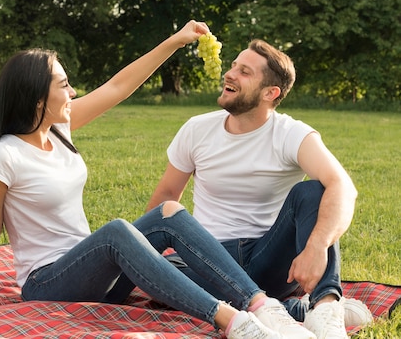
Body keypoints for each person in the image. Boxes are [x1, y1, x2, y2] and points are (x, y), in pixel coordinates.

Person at [0, 23, 317, 338]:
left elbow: (118, 87)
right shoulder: (4, 155)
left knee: (169, 211)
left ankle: (261, 305)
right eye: (63, 85)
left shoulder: (59, 129)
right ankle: (233, 322)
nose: (72, 92)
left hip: (94, 276)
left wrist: (173, 41)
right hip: (47, 283)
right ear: (37, 98)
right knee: (119, 231)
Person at [136, 39, 370, 338]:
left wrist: (316, 247)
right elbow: (165, 199)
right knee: (158, 278)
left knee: (314, 191)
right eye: (233, 66)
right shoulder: (197, 129)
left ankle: (326, 308)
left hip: (269, 258)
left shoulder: (290, 133)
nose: (230, 74)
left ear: (270, 93)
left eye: (244, 71)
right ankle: (293, 310)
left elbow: (343, 187)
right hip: (208, 257)